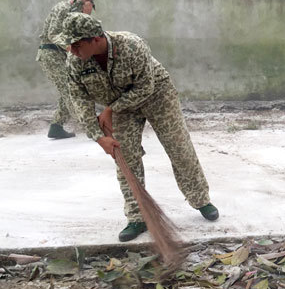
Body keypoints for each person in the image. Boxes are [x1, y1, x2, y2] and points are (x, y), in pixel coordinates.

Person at [58, 13, 219, 242]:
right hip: (121, 107)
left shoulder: (131, 45)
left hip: (157, 96)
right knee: (124, 156)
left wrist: (110, 110)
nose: (71, 50)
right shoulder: (75, 61)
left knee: (179, 147)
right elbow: (79, 99)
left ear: (95, 39)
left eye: (76, 44)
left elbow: (145, 87)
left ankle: (201, 200)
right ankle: (137, 217)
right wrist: (97, 136)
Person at [37, 0, 97, 139]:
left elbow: (83, 32)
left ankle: (57, 126)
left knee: (70, 88)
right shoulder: (63, 7)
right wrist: (70, 47)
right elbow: (53, 33)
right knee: (70, 90)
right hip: (51, 54)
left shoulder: (80, 11)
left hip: (64, 54)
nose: (89, 0)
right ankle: (92, 130)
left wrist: (86, 15)